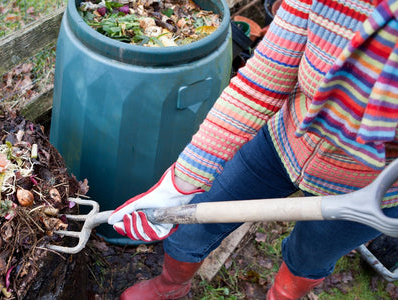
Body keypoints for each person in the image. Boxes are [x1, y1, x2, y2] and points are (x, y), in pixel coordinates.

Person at [107, 0, 398, 298]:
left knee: (308, 259)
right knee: (192, 226)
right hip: (281, 143)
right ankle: (170, 287)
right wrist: (179, 183)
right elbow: (262, 81)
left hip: (369, 188)